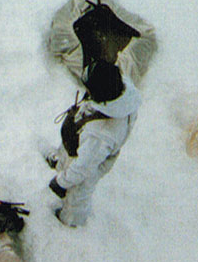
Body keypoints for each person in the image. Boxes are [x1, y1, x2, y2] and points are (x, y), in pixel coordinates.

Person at [49, 61, 140, 226]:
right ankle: (62, 165)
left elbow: (83, 167)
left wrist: (61, 182)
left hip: (89, 162)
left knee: (78, 194)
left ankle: (71, 222)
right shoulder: (122, 90)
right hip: (85, 146)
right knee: (73, 156)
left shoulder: (101, 134)